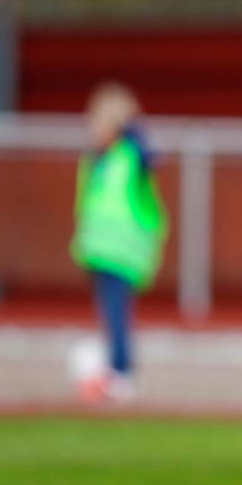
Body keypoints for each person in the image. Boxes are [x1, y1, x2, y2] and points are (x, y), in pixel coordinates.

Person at [70, 81, 168, 405]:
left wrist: (131, 127)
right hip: (100, 251)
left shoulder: (131, 154)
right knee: (110, 315)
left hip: (123, 252)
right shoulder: (98, 158)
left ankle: (121, 374)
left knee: (116, 314)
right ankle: (114, 370)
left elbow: (152, 155)